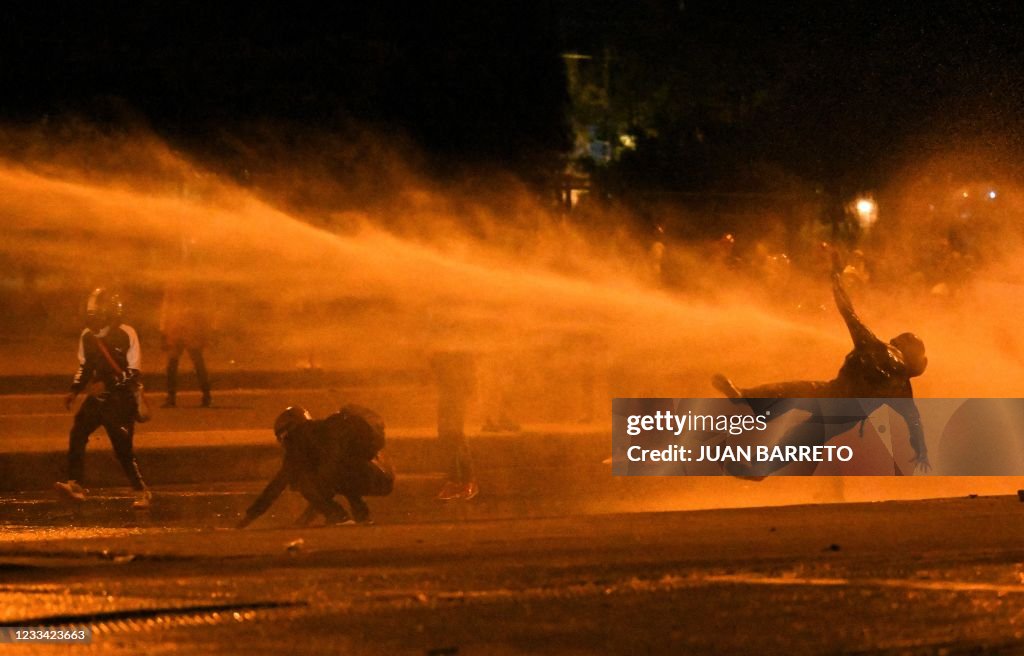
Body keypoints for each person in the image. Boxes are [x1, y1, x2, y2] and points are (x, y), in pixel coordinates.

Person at [712, 251, 931, 477]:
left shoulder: (874, 345)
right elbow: (913, 421)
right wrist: (921, 451)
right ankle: (759, 467)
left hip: (831, 394)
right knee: (802, 437)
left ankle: (745, 398)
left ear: (898, 343)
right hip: (844, 415)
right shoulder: (903, 386)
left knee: (792, 392)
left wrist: (835, 276)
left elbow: (847, 310)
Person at [55, 288, 152, 509]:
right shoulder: (87, 336)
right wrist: (75, 389)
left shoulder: (127, 333)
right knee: (78, 432)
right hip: (98, 400)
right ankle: (76, 484)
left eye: (97, 315)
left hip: (121, 401)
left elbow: (133, 372)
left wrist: (107, 384)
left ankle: (141, 491)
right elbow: (85, 365)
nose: (93, 321)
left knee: (123, 450)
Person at [237, 404, 395, 528]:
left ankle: (340, 518)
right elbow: (327, 487)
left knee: (303, 481)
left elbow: (277, 486)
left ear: (287, 432)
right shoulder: (324, 434)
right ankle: (362, 516)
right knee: (335, 476)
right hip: (380, 477)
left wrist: (246, 520)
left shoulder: (300, 437)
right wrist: (302, 522)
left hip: (365, 475)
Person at [159, 277, 212, 407]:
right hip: (185, 328)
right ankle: (205, 395)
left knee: (176, 363)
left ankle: (172, 397)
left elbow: (166, 307)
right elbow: (205, 306)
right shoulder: (195, 283)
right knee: (195, 362)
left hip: (181, 327)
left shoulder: (176, 283)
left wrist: (163, 329)